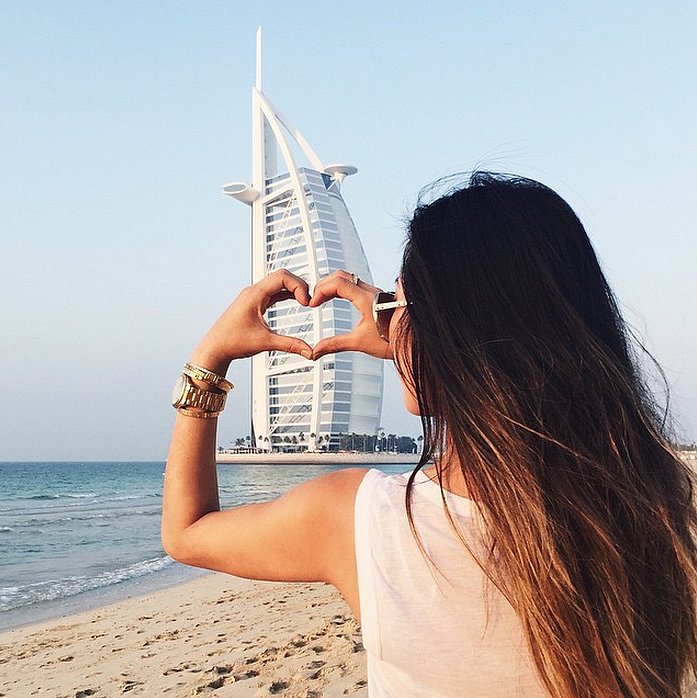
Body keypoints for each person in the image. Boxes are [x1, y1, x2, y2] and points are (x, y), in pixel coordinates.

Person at [162, 172, 697, 697]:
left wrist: (210, 358)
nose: (389, 322)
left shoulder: (363, 521)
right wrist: (414, 340)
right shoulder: (656, 507)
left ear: (442, 330)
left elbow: (186, 532)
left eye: (396, 305)